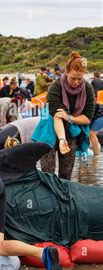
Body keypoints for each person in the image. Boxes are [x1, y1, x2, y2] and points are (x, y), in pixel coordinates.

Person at [34, 51, 95, 180]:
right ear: (66, 72)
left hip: (71, 128)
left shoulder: (88, 89)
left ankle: (63, 197)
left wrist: (70, 118)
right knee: (48, 173)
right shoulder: (55, 87)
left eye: (80, 78)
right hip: (50, 127)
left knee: (66, 175)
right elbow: (57, 116)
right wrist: (62, 139)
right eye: (73, 78)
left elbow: (87, 119)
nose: (77, 82)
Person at [89, 72, 103, 155]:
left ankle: (96, 156)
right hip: (99, 114)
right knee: (90, 134)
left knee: (92, 134)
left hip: (100, 115)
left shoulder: (94, 94)